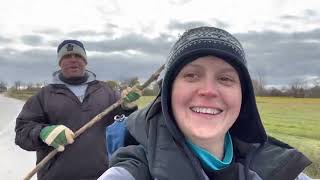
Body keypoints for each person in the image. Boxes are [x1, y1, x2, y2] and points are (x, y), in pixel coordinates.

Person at [98, 26, 312, 180]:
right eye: (192, 75)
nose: (208, 91)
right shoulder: (132, 171)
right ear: (167, 92)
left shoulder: (281, 169)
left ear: (243, 96)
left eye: (225, 78)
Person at [15, 39, 138, 180]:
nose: (73, 60)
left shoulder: (107, 91)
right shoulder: (43, 96)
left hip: (102, 176)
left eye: (78, 56)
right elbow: (21, 133)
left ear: (85, 61)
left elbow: (129, 127)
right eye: (67, 56)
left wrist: (129, 109)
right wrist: (43, 133)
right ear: (59, 62)